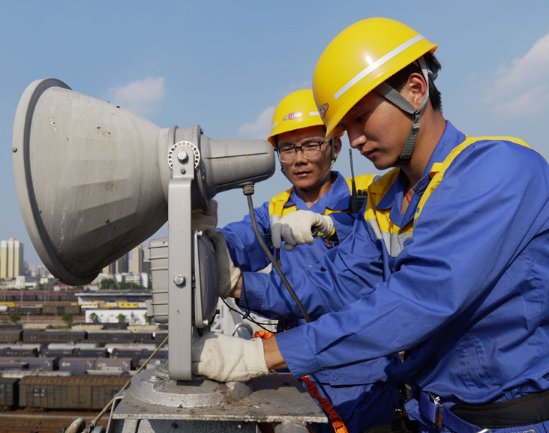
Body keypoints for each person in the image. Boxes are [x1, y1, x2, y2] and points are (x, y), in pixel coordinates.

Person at [192, 17, 549, 433]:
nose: (356, 139)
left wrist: (263, 356)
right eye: (346, 127)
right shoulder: (387, 199)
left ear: (416, 90)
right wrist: (238, 283)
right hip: (430, 416)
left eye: (361, 117)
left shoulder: (497, 173)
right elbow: (338, 283)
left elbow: (417, 299)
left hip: (508, 421)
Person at [198, 89, 397, 433]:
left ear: (335, 147)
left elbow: (372, 257)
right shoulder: (274, 211)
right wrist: (207, 237)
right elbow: (240, 240)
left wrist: (333, 226)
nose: (299, 159)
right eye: (288, 149)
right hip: (297, 361)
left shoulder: (366, 196)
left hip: (362, 362)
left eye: (310, 144)